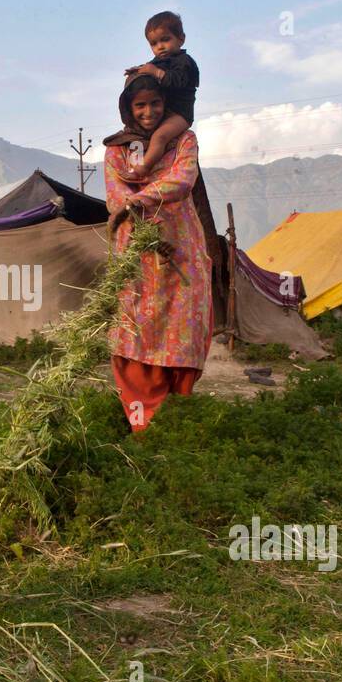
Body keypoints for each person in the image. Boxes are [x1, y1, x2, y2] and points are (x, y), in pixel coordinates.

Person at [102, 75, 212, 432]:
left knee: (181, 327)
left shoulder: (183, 140)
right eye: (140, 105)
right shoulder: (116, 149)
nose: (148, 112)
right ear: (128, 108)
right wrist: (131, 207)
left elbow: (183, 179)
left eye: (155, 104)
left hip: (180, 249)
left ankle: (173, 423)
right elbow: (115, 195)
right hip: (136, 254)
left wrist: (141, 197)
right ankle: (141, 423)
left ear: (166, 105)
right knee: (137, 328)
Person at [122, 10, 199, 174]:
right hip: (164, 111)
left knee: (159, 137)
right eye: (154, 43)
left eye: (165, 39)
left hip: (180, 114)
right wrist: (138, 71)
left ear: (181, 39)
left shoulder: (185, 63)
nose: (160, 46)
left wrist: (156, 72)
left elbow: (178, 81)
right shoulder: (160, 61)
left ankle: (144, 167)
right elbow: (149, 72)